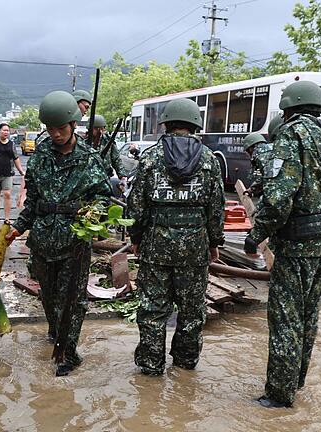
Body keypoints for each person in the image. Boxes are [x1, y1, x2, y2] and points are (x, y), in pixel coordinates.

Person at [244, 80, 321, 408]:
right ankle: (297, 380)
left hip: (295, 246)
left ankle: (279, 395)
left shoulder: (290, 135)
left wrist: (255, 236)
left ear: (289, 107)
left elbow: (279, 198)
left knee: (285, 318)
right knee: (308, 315)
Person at [6, 91, 110, 376]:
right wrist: (18, 227)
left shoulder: (89, 158)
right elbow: (33, 201)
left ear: (73, 125)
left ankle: (68, 352)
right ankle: (56, 332)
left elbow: (103, 198)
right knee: (49, 296)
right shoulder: (39, 158)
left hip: (75, 241)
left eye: (60, 128)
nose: (56, 134)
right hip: (42, 240)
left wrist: (92, 216)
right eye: (50, 129)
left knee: (73, 300)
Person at [127, 98, 225, 376]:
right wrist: (214, 242)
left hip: (156, 244)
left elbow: (137, 205)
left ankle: (150, 365)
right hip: (195, 246)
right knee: (192, 309)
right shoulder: (209, 159)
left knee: (152, 308)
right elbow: (216, 207)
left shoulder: (150, 157)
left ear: (166, 124)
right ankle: (185, 363)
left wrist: (136, 236)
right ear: (195, 124)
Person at [89, 114, 126, 193]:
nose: (101, 131)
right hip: (88, 180)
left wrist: (122, 177)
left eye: (102, 128)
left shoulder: (108, 141)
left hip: (105, 178)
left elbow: (116, 159)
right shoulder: (83, 141)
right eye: (96, 129)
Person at [242, 133, 272, 199]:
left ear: (250, 149)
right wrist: (252, 189)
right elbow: (265, 175)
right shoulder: (271, 147)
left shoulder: (260, 155)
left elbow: (268, 177)